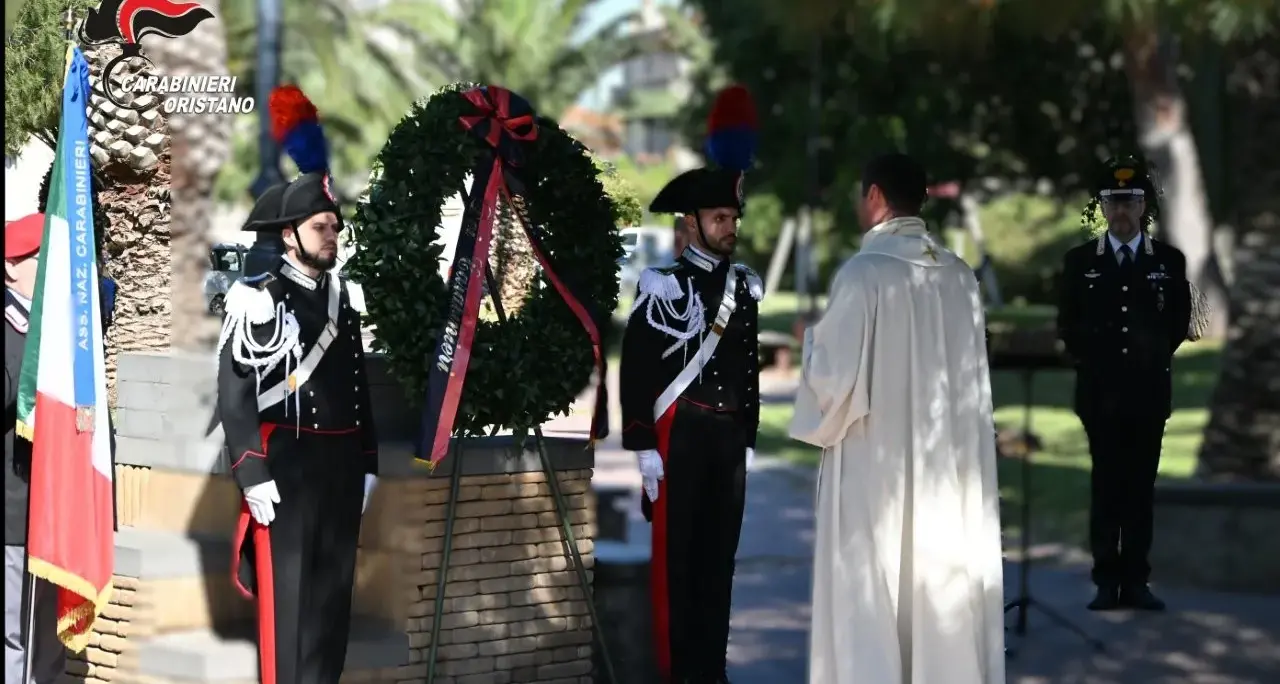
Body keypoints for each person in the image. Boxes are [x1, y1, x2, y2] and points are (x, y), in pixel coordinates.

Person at [790, 153, 1005, 684]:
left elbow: (833, 383)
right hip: (946, 469)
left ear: (876, 197)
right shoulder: (960, 277)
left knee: (876, 578)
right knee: (937, 573)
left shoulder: (863, 274)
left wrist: (809, 342)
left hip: (873, 464)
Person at [217, 172, 379, 684]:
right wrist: (251, 470)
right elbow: (236, 395)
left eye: (335, 226)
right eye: (320, 226)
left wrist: (368, 461)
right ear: (289, 234)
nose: (332, 235)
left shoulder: (341, 299)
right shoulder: (258, 299)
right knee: (287, 606)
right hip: (286, 469)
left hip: (341, 469)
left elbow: (358, 385)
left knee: (333, 607)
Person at [620, 165, 763, 681]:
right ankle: (679, 670)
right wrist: (641, 445)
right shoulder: (664, 284)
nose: (730, 227)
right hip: (680, 438)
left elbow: (749, 367)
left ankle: (711, 669)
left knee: (718, 563)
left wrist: (748, 434)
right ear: (693, 223)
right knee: (677, 566)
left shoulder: (744, 286)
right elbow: (636, 369)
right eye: (719, 217)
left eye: (733, 217)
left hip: (726, 443)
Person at [1057, 156, 1191, 612]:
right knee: (1106, 486)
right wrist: (1102, 361)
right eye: (1113, 201)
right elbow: (1068, 325)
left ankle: (1136, 579)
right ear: (1102, 205)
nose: (1121, 210)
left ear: (1143, 206)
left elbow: (1176, 323)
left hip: (1149, 394)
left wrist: (1145, 361)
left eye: (1130, 201)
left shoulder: (1168, 261)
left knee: (1139, 488)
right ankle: (1105, 580)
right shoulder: (1080, 263)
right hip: (1100, 395)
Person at [4, 213, 68, 684]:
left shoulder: (66, 329)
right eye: (42, 258)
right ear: (11, 267)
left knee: (51, 636)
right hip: (14, 513)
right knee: (14, 636)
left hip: (59, 513)